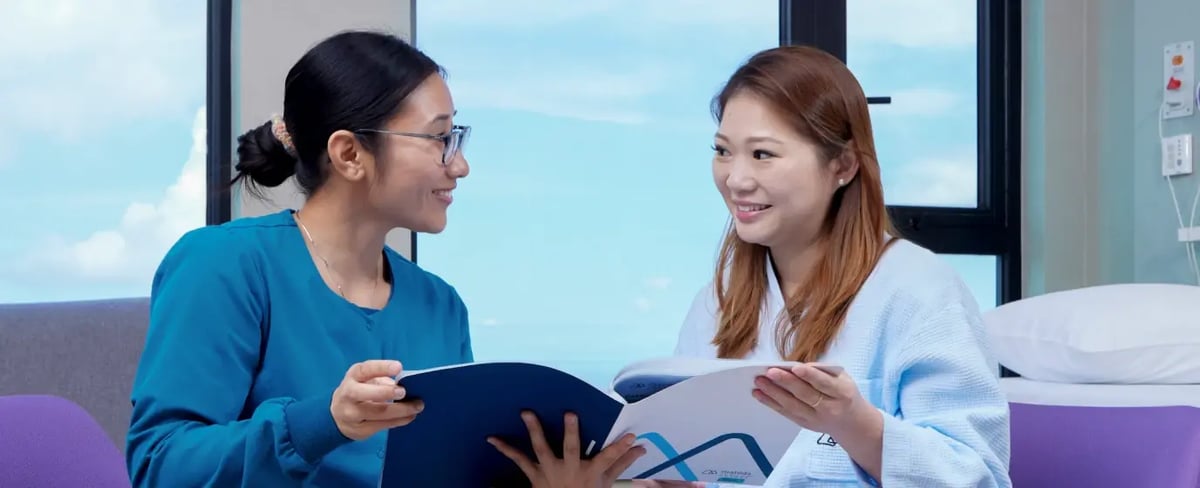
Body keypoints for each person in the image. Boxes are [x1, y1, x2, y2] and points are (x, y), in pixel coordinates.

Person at [124, 30, 642, 488]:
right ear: (350, 154)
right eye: (440, 138)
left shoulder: (440, 305)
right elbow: (160, 465)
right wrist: (323, 422)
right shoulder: (224, 265)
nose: (459, 165)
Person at [667, 45, 1013, 487]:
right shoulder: (716, 304)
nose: (736, 179)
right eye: (722, 151)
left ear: (843, 165)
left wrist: (855, 425)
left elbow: (980, 477)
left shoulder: (920, 293)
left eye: (762, 154)